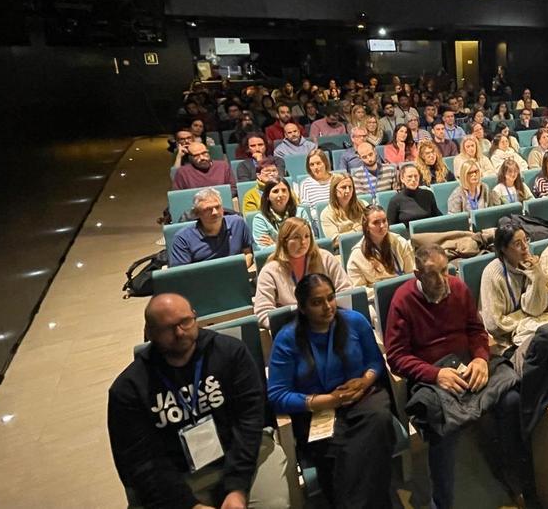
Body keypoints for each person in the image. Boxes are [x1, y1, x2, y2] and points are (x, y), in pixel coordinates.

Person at [108, 294, 290, 509]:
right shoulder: (129, 389)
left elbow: (250, 422)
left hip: (244, 454)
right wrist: (189, 505)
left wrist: (237, 489)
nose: (179, 332)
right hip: (179, 474)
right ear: (149, 332)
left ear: (195, 317)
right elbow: (143, 462)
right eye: (168, 328)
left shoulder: (231, 353)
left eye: (185, 321)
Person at [384, 245, 526, 508]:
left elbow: (476, 330)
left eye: (445, 271)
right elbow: (396, 356)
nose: (442, 280)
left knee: (513, 399)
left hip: (467, 364)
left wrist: (481, 358)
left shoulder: (457, 288)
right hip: (432, 373)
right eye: (433, 274)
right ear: (417, 274)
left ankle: (513, 478)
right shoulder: (403, 300)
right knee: (441, 424)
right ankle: (442, 501)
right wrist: (435, 374)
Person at [266, 273, 393, 508]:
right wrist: (326, 400)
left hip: (361, 399)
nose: (327, 307)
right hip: (317, 411)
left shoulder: (354, 321)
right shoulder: (288, 339)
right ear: (302, 308)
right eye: (317, 302)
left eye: (331, 298)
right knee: (340, 448)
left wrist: (364, 382)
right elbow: (277, 395)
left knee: (380, 419)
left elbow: (375, 362)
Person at [253, 217, 350, 328]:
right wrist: (292, 327)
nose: (303, 242)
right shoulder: (270, 271)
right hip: (293, 330)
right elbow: (262, 312)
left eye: (307, 236)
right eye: (296, 237)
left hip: (330, 322)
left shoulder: (325, 258)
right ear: (284, 241)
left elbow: (346, 291)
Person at [480, 224, 548, 367]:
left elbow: (536, 310)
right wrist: (525, 316)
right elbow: (493, 324)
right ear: (504, 249)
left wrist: (536, 275)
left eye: (526, 240)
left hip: (533, 329)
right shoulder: (493, 274)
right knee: (542, 357)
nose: (525, 247)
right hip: (505, 341)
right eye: (517, 244)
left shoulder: (530, 266)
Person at [171, 189, 253, 266]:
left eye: (217, 207)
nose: (215, 212)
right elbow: (181, 275)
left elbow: (248, 253)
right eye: (208, 209)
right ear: (197, 213)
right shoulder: (182, 239)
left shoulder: (238, 223)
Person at [346, 205, 416, 288]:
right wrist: (381, 291)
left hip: (404, 291)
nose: (382, 226)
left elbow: (412, 274)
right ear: (366, 226)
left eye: (384, 221)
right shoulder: (356, 256)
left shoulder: (400, 242)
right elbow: (360, 291)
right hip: (378, 299)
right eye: (376, 222)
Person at [251, 179, 313, 249]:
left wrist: (277, 244)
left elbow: (310, 240)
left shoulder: (300, 212)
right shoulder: (260, 219)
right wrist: (294, 244)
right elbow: (264, 249)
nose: (281, 195)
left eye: (284, 190)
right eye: (275, 191)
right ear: (267, 196)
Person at [319, 174, 367, 246]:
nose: (348, 191)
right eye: (343, 187)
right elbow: (335, 242)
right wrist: (359, 229)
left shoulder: (363, 205)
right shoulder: (326, 214)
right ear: (334, 190)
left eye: (350, 187)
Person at [172, 142, 237, 194]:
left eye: (204, 153)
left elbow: (233, 189)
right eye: (196, 155)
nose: (202, 158)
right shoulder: (182, 172)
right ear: (190, 158)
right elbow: (178, 195)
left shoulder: (223, 166)